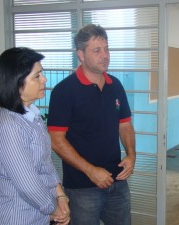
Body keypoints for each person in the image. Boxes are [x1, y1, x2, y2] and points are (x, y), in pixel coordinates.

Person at [47, 24, 136, 225]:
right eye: (97, 50)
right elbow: (56, 140)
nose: (105, 55)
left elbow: (125, 125)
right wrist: (90, 170)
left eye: (106, 49)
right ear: (81, 54)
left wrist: (131, 155)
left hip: (118, 182)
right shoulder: (64, 91)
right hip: (82, 188)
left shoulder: (116, 85)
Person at [0, 47, 70, 225]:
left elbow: (46, 164)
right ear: (17, 83)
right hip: (15, 217)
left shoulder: (32, 116)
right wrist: (55, 210)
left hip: (39, 215)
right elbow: (28, 184)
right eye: (37, 76)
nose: (44, 79)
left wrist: (61, 196)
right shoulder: (7, 125)